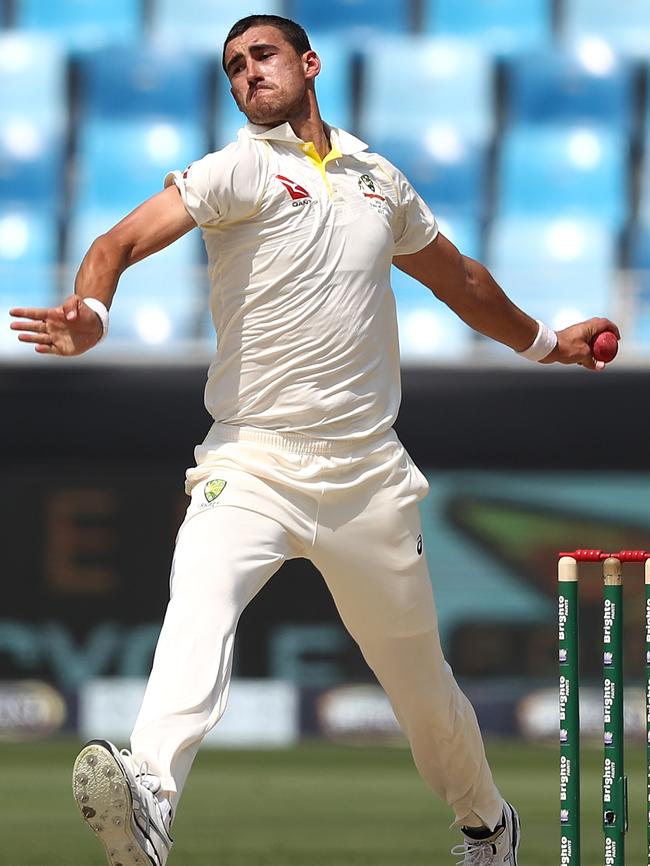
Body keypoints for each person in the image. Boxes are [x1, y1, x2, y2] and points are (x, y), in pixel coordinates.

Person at [11, 14, 618, 866]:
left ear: (308, 62)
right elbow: (117, 242)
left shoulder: (378, 178)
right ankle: (148, 796)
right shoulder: (236, 168)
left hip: (368, 477)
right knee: (198, 608)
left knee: (419, 688)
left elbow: (465, 281)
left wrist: (550, 344)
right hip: (251, 460)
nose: (246, 75)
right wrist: (94, 313)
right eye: (232, 67)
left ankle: (487, 824)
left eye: (261, 56)